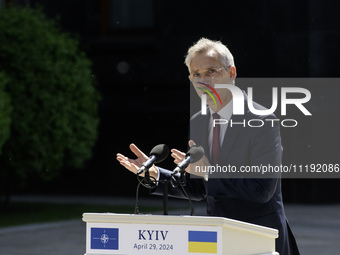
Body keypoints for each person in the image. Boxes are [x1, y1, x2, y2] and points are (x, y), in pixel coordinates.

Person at [116, 38, 299, 255]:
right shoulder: (199, 121)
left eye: (212, 71)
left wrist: (208, 172)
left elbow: (261, 189)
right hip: (218, 239)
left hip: (260, 239)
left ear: (232, 73)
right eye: (197, 74)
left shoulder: (262, 120)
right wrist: (156, 174)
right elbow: (199, 187)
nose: (204, 80)